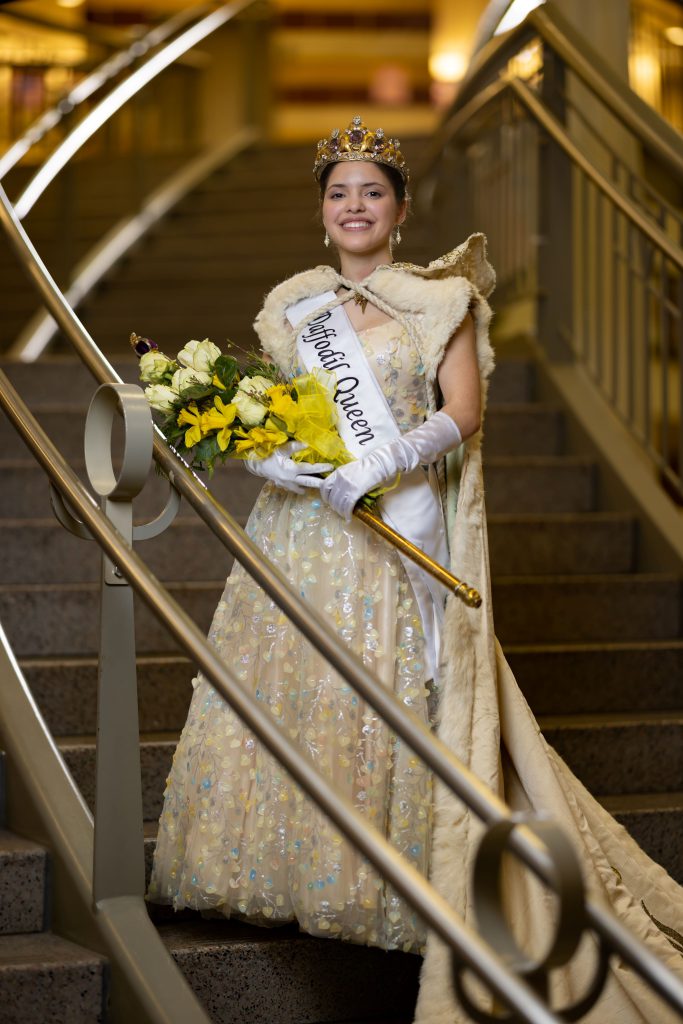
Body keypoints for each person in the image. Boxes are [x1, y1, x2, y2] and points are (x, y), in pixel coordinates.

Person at [148, 117, 683, 1023]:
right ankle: (284, 869)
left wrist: (381, 464)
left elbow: (464, 412)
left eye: (371, 192)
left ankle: (384, 882)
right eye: (338, 193)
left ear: (397, 211)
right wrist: (267, 460)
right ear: (322, 215)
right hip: (304, 528)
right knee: (298, 688)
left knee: (383, 690)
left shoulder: (441, 300)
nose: (354, 206)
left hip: (392, 522)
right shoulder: (293, 309)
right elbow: (275, 417)